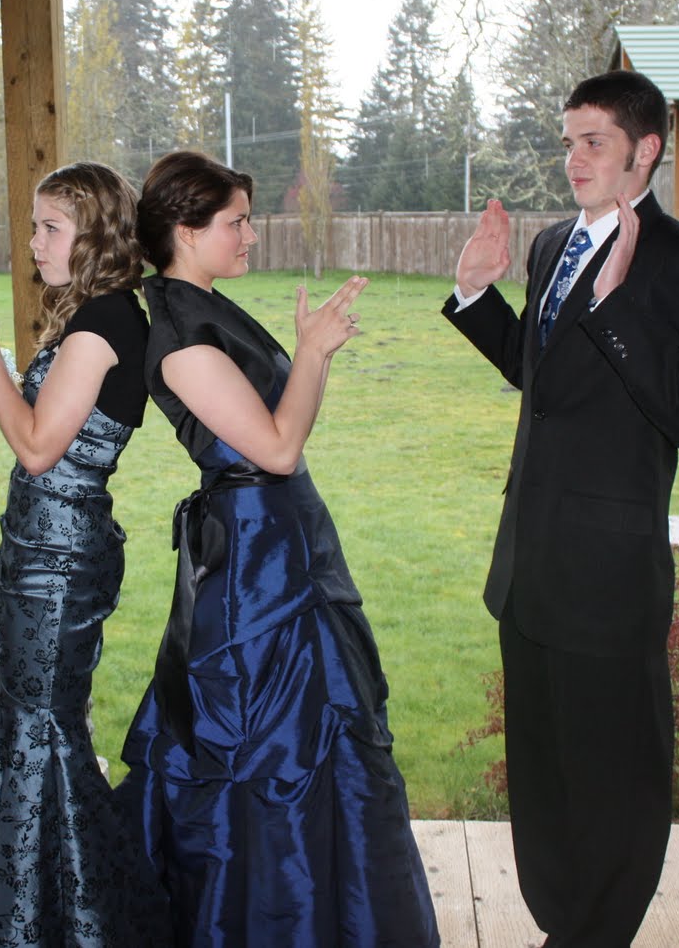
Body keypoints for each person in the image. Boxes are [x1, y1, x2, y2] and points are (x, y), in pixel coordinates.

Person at [114, 150, 439, 947]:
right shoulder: (182, 335)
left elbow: (282, 442)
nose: (251, 234)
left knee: (328, 738)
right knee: (265, 750)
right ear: (187, 231)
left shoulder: (209, 307)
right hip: (255, 574)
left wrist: (305, 346)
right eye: (237, 221)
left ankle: (333, 916)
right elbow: (277, 446)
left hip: (285, 543)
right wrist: (317, 350)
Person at [442, 69, 679, 947]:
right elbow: (546, 382)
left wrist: (616, 310)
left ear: (644, 150)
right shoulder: (551, 243)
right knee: (545, 773)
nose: (573, 158)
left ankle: (601, 931)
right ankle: (560, 924)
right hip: (530, 563)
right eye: (568, 140)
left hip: (608, 574)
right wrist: (476, 295)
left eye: (592, 141)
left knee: (617, 778)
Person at [0, 162, 171, 947]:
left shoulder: (102, 325)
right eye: (34, 226)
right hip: (43, 553)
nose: (34, 242)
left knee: (41, 739)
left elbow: (37, 446)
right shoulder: (94, 315)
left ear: (94, 235)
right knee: (28, 733)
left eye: (50, 227)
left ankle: (77, 924)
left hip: (57, 566)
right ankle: (48, 920)